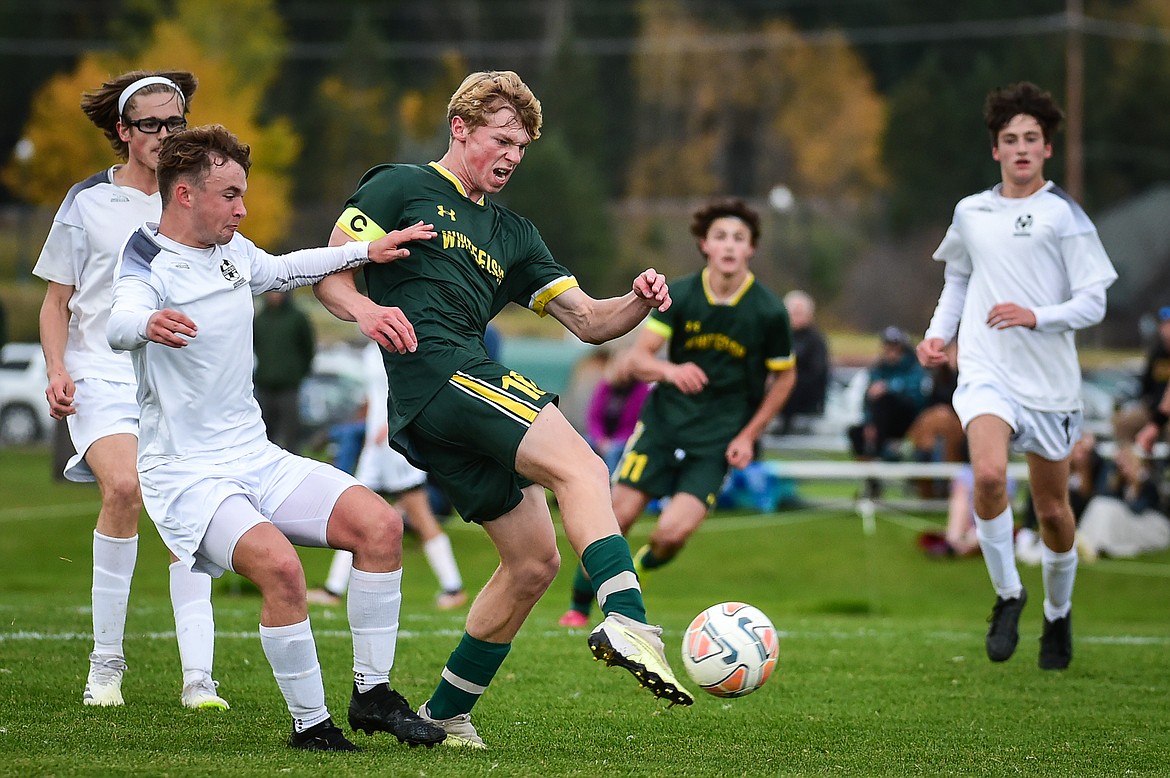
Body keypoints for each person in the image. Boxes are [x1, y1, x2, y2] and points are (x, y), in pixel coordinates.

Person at [312, 70, 693, 749]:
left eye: (523, 145)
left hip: (442, 402)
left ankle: (446, 713)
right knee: (582, 467)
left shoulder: (515, 234)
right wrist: (367, 310)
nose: (513, 155)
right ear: (460, 128)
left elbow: (589, 321)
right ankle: (628, 617)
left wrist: (637, 298)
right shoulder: (399, 185)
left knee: (533, 560)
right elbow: (331, 271)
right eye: (502, 138)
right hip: (442, 372)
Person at [107, 124, 446, 752]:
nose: (243, 208)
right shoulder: (146, 259)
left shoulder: (233, 253)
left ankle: (372, 696)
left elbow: (287, 267)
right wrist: (147, 322)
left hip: (254, 457)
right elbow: (118, 320)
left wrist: (362, 255)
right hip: (186, 475)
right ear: (184, 195)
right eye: (230, 194)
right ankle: (311, 726)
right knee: (281, 569)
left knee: (380, 526)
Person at [31, 70, 229, 710]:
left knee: (189, 517)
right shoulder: (87, 202)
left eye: (176, 123)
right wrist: (56, 370)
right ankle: (105, 668)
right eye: (151, 125)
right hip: (99, 375)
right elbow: (57, 300)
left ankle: (199, 679)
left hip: (174, 385)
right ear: (124, 131)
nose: (166, 135)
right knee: (124, 488)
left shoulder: (197, 198)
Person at [917, 81, 1117, 671]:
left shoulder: (1065, 217)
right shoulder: (971, 212)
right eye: (1011, 139)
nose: (1022, 148)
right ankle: (1008, 594)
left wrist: (1037, 316)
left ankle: (1058, 612)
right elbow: (956, 278)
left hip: (1050, 386)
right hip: (986, 371)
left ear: (1047, 149)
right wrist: (939, 332)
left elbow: (1093, 303)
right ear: (996, 150)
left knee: (1054, 513)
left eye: (1033, 138)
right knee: (987, 476)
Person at [559, 198, 796, 626]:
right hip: (664, 425)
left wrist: (748, 435)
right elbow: (636, 360)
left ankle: (640, 573)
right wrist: (671, 370)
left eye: (738, 238)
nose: (729, 245)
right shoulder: (683, 294)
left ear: (751, 250)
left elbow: (785, 378)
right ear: (705, 244)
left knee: (671, 534)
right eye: (720, 236)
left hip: (717, 439)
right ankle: (578, 605)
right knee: (617, 515)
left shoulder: (768, 311)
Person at [307, 341, 467, 610]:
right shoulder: (371, 349)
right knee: (354, 515)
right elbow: (374, 395)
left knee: (420, 515)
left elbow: (415, 389)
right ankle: (333, 589)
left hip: (394, 445)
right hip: (374, 448)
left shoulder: (401, 343)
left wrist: (393, 423)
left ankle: (453, 588)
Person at [847, 326, 927, 464]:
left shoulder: (913, 367)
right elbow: (868, 399)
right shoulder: (878, 369)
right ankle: (872, 475)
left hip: (906, 418)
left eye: (895, 347)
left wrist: (889, 388)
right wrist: (869, 423)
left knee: (885, 400)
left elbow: (916, 396)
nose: (891, 352)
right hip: (880, 422)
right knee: (855, 432)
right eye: (888, 347)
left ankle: (881, 450)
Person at [1076, 445, 1170, 559]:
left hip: (1150, 523)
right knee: (1099, 503)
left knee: (1106, 507)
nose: (1123, 468)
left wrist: (1135, 483)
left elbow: (1139, 508)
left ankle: (1095, 543)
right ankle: (1086, 541)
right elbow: (1104, 496)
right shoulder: (1120, 484)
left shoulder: (1148, 483)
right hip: (1128, 519)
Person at [253, 289, 315, 453]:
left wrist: (298, 374)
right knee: (264, 432)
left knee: (290, 433)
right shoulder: (259, 319)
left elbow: (307, 349)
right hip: (264, 384)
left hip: (289, 386)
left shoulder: (297, 318)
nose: (274, 295)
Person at [584, 348, 651, 474]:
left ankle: (612, 487)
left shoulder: (641, 390)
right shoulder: (605, 386)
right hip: (602, 438)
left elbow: (636, 423)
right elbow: (594, 417)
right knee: (582, 444)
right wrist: (600, 439)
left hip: (625, 439)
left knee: (613, 452)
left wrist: (612, 443)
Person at [777, 289, 829, 435]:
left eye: (799, 313)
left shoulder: (815, 341)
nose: (795, 317)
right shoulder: (780, 336)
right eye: (792, 312)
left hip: (804, 396)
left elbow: (817, 374)